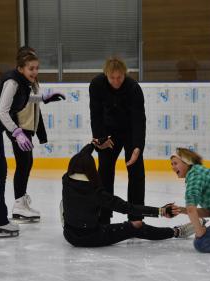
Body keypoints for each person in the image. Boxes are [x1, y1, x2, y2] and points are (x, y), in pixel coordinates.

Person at [0, 46, 65, 237]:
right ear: (21, 68)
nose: (35, 72)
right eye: (31, 68)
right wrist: (17, 132)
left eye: (37, 68)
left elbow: (22, 99)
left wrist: (43, 98)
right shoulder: (13, 82)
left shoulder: (22, 83)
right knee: (0, 169)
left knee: (1, 169)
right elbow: (1, 111)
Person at [61, 144, 195, 247]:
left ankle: (70, 220)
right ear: (91, 169)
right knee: (136, 226)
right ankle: (177, 232)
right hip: (92, 237)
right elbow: (128, 208)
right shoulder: (97, 193)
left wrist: (92, 145)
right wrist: (160, 211)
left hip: (69, 234)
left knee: (66, 202)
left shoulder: (66, 180)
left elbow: (82, 156)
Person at [89, 56, 146, 224]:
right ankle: (103, 215)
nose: (115, 81)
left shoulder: (133, 88)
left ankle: (136, 216)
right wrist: (100, 139)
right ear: (106, 75)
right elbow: (95, 114)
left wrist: (137, 147)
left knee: (136, 173)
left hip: (130, 132)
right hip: (108, 133)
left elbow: (139, 120)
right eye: (112, 77)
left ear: (125, 74)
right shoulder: (97, 85)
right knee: (104, 172)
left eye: (119, 77)